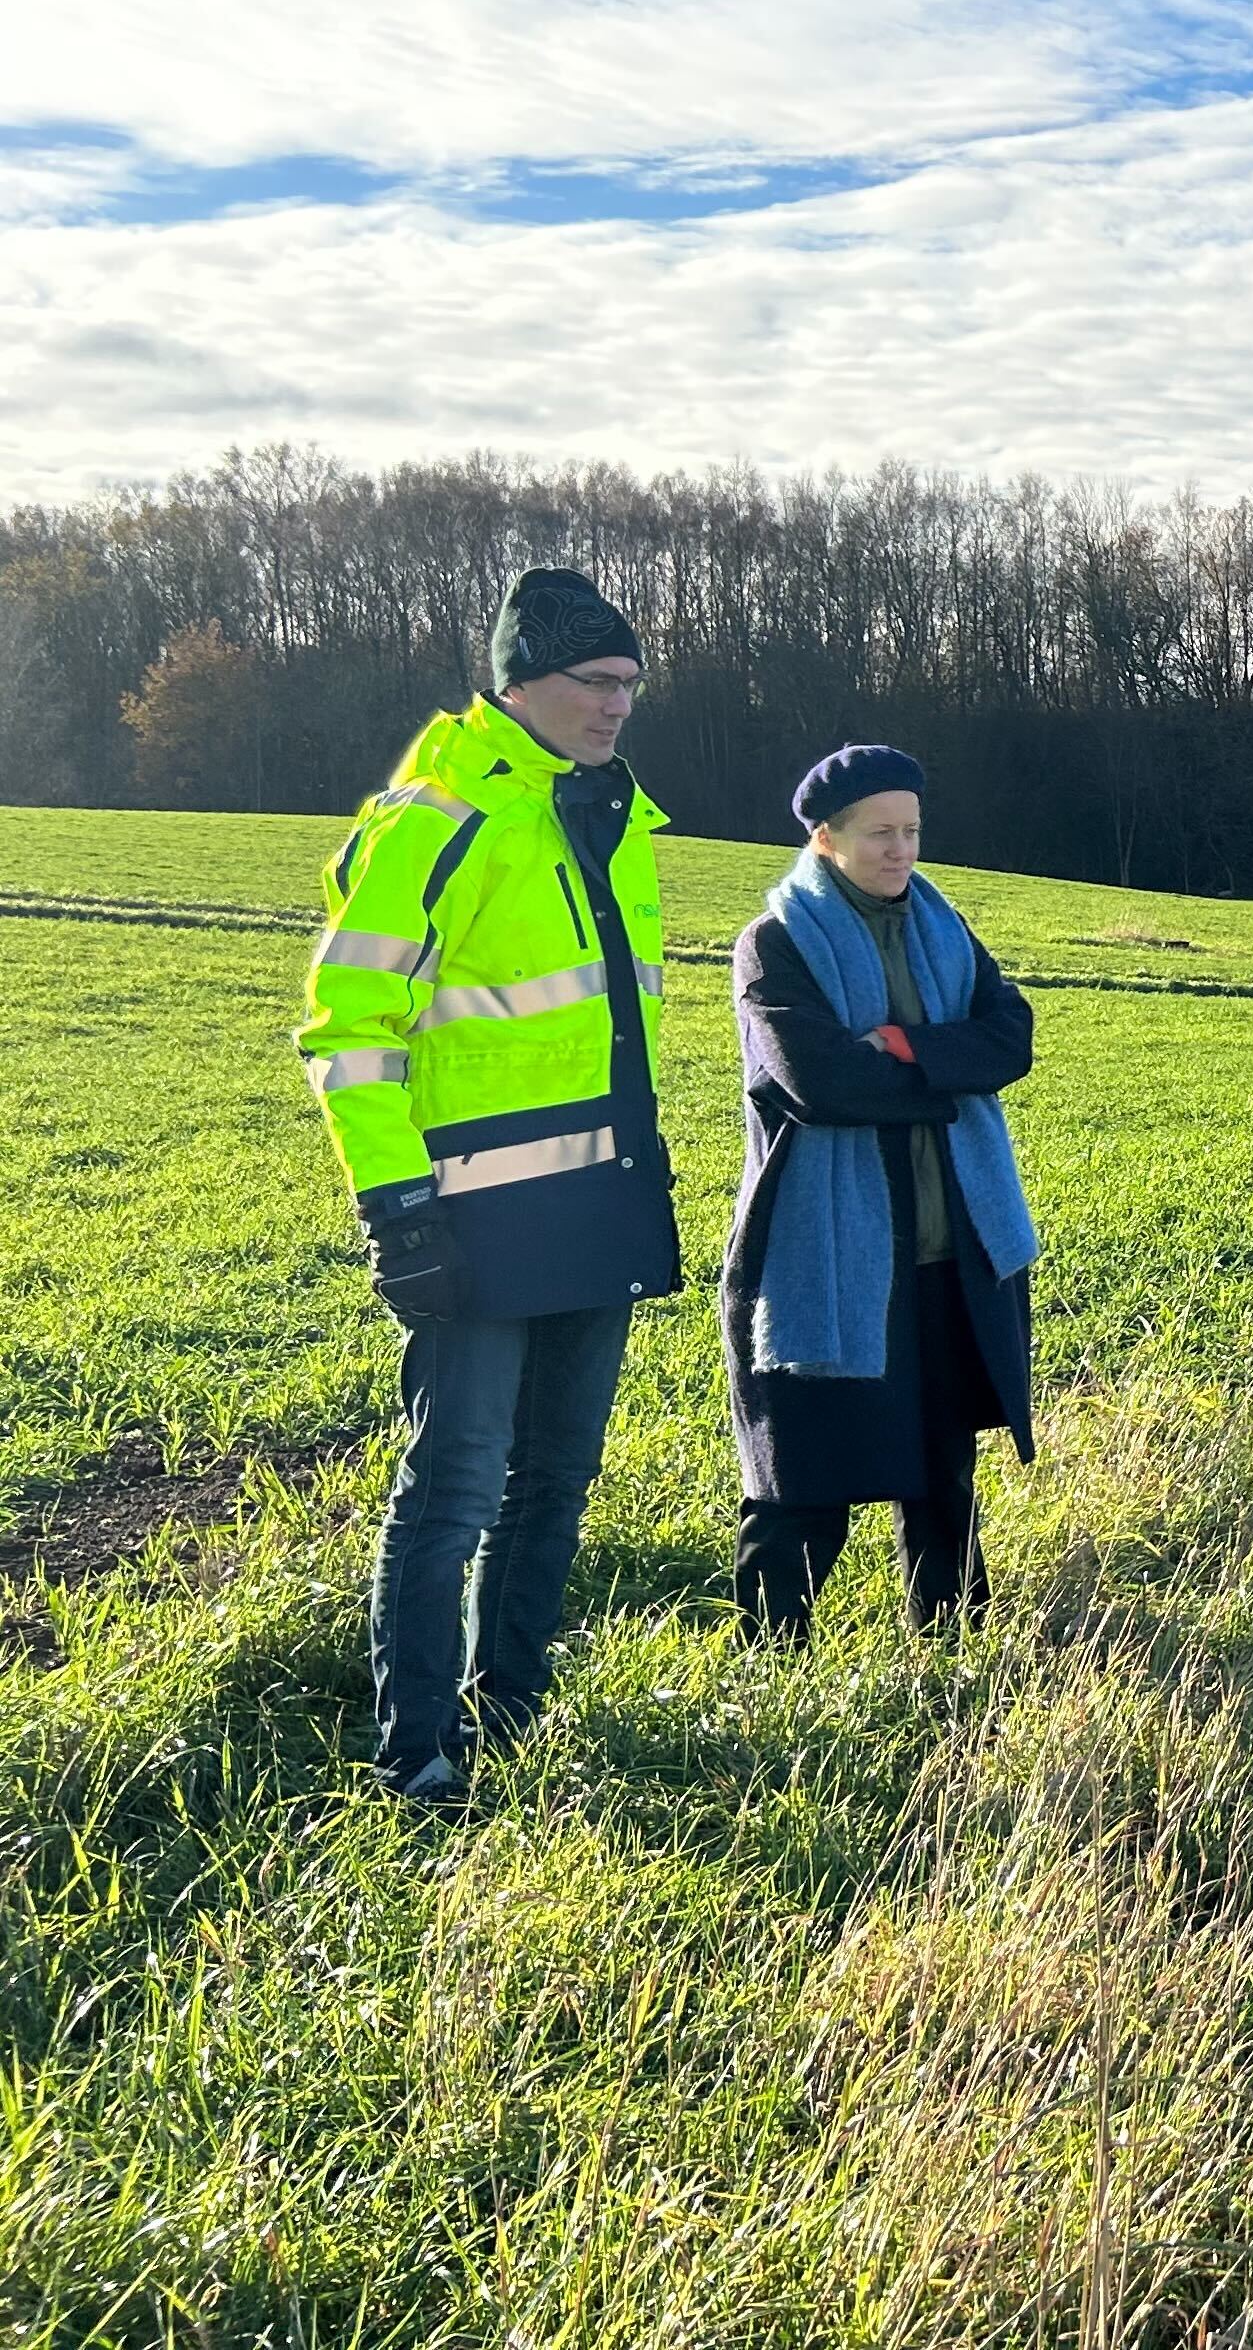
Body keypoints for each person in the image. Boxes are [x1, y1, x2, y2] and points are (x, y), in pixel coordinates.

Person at [299, 567, 681, 1806]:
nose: (620, 703)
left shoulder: (610, 816)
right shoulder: (436, 818)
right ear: (522, 683)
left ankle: (510, 1715)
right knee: (455, 1483)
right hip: (464, 1218)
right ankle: (417, 1755)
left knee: (557, 1478)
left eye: (631, 682)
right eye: (597, 681)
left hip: (593, 1197)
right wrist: (395, 1207)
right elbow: (349, 1027)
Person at [718, 745, 1040, 1639]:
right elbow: (818, 1081)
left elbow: (1010, 1039)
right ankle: (770, 1661)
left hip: (946, 1244)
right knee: (802, 1471)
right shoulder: (775, 944)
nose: (900, 851)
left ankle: (953, 1641)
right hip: (823, 1257)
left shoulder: (943, 927)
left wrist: (900, 1048)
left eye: (912, 831)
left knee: (943, 1465)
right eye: (878, 834)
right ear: (826, 838)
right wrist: (949, 1065)